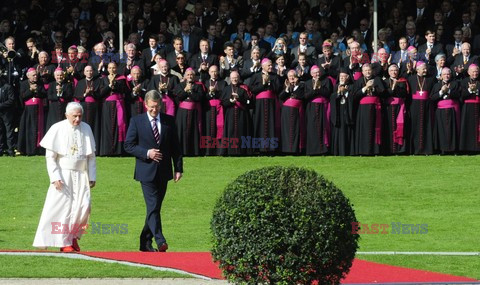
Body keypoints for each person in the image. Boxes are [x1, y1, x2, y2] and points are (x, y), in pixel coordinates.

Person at [33, 102, 96, 252]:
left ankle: (73, 237)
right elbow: (50, 157)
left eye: (80, 116)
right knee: (61, 209)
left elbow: (91, 156)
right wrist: (55, 177)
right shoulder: (57, 128)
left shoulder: (86, 128)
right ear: (67, 115)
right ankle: (63, 242)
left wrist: (92, 176)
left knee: (84, 207)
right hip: (63, 175)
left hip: (81, 175)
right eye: (74, 116)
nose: (77, 119)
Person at [124, 90, 183, 252]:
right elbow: (128, 145)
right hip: (146, 171)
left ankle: (145, 242)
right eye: (151, 107)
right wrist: (147, 153)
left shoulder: (169, 121)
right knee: (152, 205)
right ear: (145, 104)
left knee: (154, 207)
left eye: (157, 107)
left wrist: (178, 168)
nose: (154, 110)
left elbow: (175, 147)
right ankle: (160, 240)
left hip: (164, 171)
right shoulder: (137, 121)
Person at [0, 78, 15, 156]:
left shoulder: (7, 87)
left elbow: (11, 100)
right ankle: (0, 150)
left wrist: (1, 106)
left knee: (9, 132)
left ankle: (10, 151)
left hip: (7, 113)